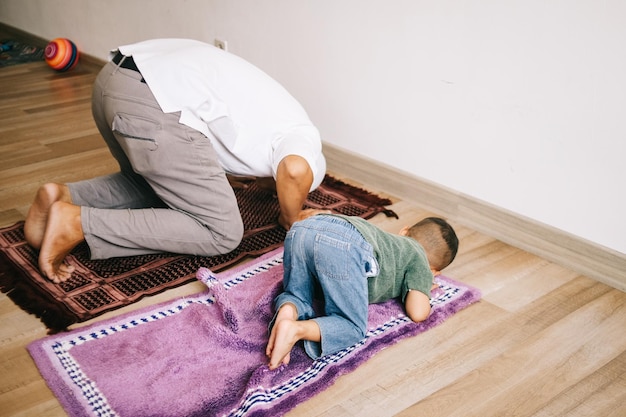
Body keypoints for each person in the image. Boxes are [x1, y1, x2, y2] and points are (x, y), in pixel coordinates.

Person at [24, 38, 327, 284]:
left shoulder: (270, 115)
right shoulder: (303, 136)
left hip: (112, 81)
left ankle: (63, 196)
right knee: (222, 233)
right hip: (152, 104)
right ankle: (78, 224)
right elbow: (294, 170)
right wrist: (291, 215)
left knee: (154, 185)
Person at [265, 214, 459, 370]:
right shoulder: (420, 261)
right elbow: (418, 312)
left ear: (405, 230)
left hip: (304, 229)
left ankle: (287, 313)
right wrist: (424, 286)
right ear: (434, 271)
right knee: (353, 327)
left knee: (298, 293)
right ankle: (296, 330)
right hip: (343, 246)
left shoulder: (389, 241)